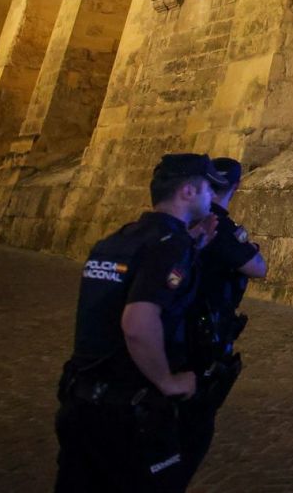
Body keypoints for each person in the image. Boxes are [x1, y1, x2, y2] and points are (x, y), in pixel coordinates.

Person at [54, 153, 224, 492]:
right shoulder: (169, 246)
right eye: (208, 189)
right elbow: (137, 322)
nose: (212, 199)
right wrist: (168, 380)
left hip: (81, 401)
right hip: (128, 409)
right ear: (187, 192)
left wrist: (193, 247)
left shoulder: (118, 240)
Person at [179, 156, 267, 481]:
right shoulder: (220, 227)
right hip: (203, 338)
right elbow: (258, 267)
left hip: (172, 334)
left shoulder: (181, 221)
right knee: (190, 434)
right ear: (236, 186)